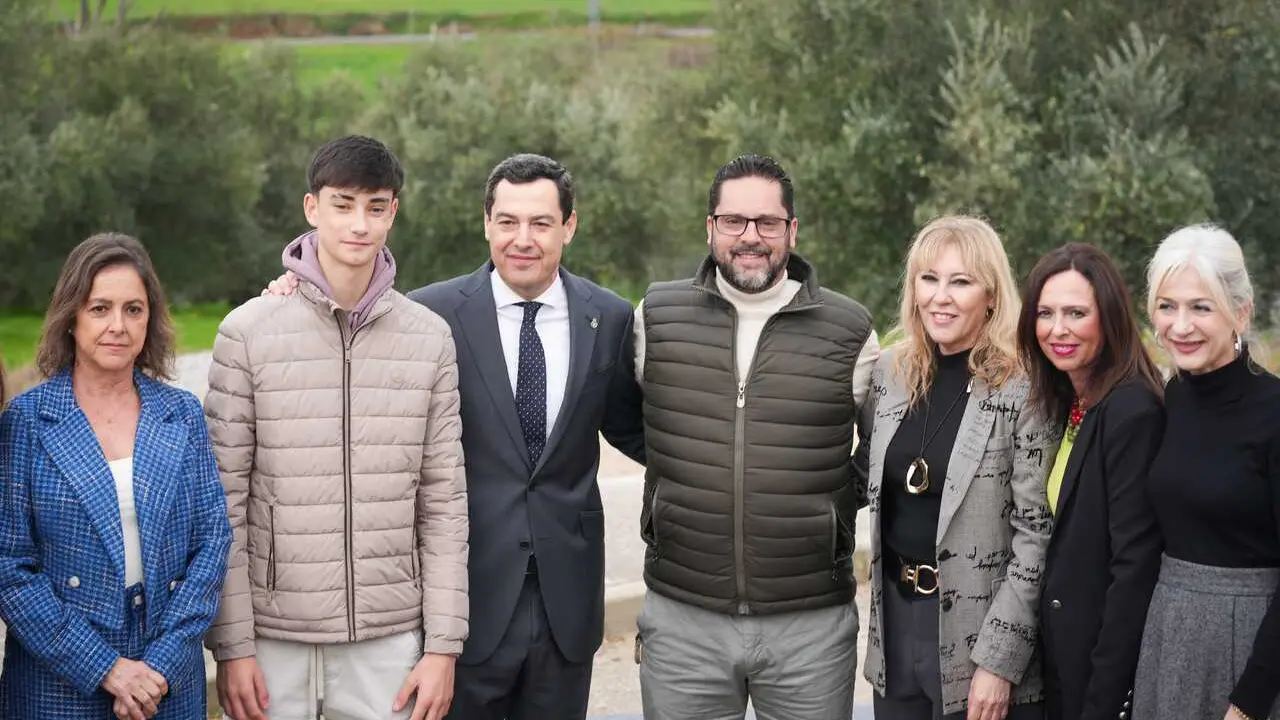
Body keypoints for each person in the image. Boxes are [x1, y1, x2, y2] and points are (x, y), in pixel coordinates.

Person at [264, 151, 646, 720]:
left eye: (541, 223)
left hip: (568, 605)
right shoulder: (429, 314)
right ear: (486, 223)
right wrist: (295, 295)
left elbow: (633, 430)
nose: (523, 238)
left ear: (569, 225)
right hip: (466, 604)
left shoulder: (608, 317)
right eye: (508, 221)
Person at [204, 135, 469, 720]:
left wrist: (444, 646)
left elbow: (443, 501)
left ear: (393, 212)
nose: (359, 224)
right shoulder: (247, 333)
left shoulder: (428, 339)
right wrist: (234, 644)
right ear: (311, 208)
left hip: (389, 636)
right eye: (343, 204)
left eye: (375, 207)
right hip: (274, 639)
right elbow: (223, 502)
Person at [633, 153, 880, 720]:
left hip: (810, 625)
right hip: (682, 618)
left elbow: (883, 448)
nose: (751, 237)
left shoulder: (850, 330)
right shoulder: (656, 317)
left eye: (768, 223)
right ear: (710, 227)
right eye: (734, 221)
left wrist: (833, 509)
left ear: (792, 230)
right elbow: (637, 423)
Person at [0, 232, 232, 719]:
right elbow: (10, 567)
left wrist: (161, 666)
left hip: (166, 684)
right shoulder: (27, 420)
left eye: (133, 309)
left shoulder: (181, 414)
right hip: (57, 685)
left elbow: (211, 543)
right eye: (100, 308)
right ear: (72, 317)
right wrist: (105, 667)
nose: (118, 326)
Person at [860, 215, 1054, 720]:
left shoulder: (1026, 388)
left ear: (990, 295)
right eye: (930, 279)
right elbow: (862, 475)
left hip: (981, 638)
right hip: (896, 633)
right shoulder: (891, 374)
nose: (940, 297)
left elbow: (1036, 535)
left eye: (960, 281)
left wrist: (1000, 662)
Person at [1134, 224, 1280, 720]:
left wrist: (1249, 703)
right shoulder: (1168, 399)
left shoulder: (1274, 411)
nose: (1181, 325)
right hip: (1167, 638)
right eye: (1167, 305)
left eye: (1201, 307)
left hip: (1252, 651)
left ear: (1240, 311)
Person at [1017, 243, 1165, 720]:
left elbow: (1133, 569)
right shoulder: (1071, 402)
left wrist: (1103, 697)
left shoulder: (1131, 411)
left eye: (1076, 313)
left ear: (1109, 319)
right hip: (1062, 657)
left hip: (1100, 673)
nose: (1057, 329)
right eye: (1046, 313)